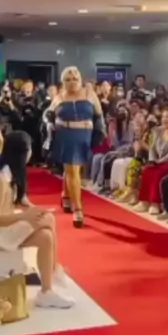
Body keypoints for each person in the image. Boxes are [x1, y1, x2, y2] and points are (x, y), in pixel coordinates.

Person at [0, 132, 74, 309]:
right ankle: (54, 270)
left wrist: (35, 210)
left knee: (46, 235)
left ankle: (46, 291)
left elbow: (21, 201)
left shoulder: (9, 173)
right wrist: (25, 216)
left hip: (1, 228)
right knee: (47, 221)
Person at [51, 66, 104, 227]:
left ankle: (66, 195)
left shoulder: (89, 94)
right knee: (72, 169)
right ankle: (78, 209)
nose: (72, 82)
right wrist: (49, 124)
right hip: (66, 134)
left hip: (85, 135)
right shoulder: (59, 97)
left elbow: (99, 115)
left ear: (80, 80)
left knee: (73, 169)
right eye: (68, 79)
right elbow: (48, 114)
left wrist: (100, 133)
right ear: (63, 82)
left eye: (75, 79)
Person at [134, 107, 168, 215]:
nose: (165, 119)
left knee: (158, 173)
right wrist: (152, 160)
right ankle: (144, 202)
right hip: (158, 161)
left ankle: (155, 204)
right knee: (147, 170)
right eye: (163, 117)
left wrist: (160, 161)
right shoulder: (157, 130)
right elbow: (152, 147)